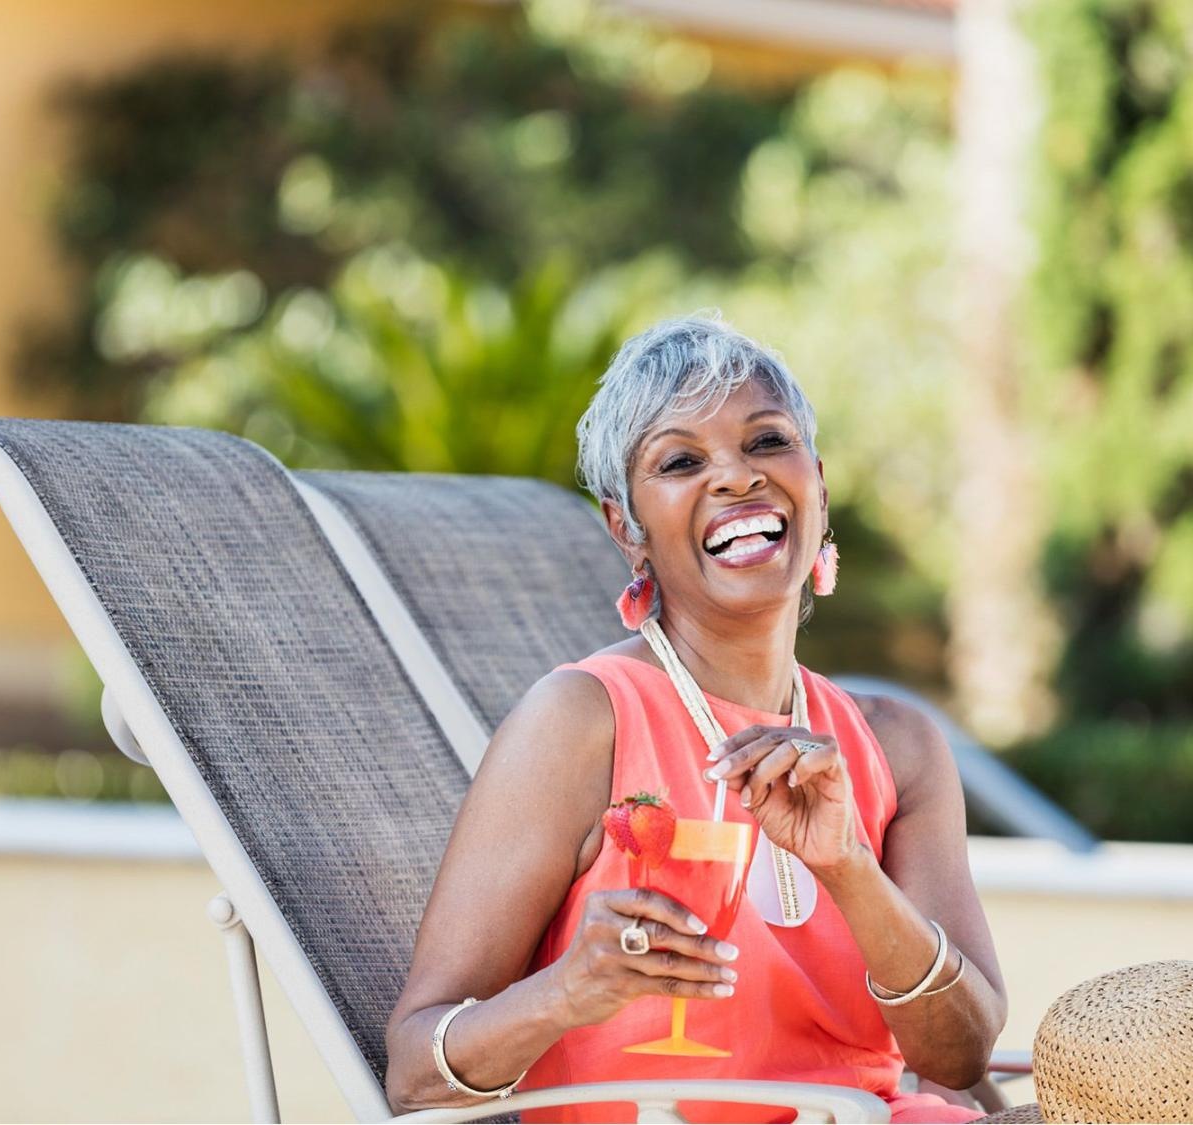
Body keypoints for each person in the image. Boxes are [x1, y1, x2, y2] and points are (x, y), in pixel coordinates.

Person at [385, 313, 1006, 1124]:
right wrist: (568, 990)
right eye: (681, 461)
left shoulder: (899, 744)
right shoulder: (580, 722)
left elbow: (957, 1055)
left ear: (817, 482)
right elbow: (413, 1071)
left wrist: (851, 867)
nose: (736, 478)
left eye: (767, 442)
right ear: (626, 528)